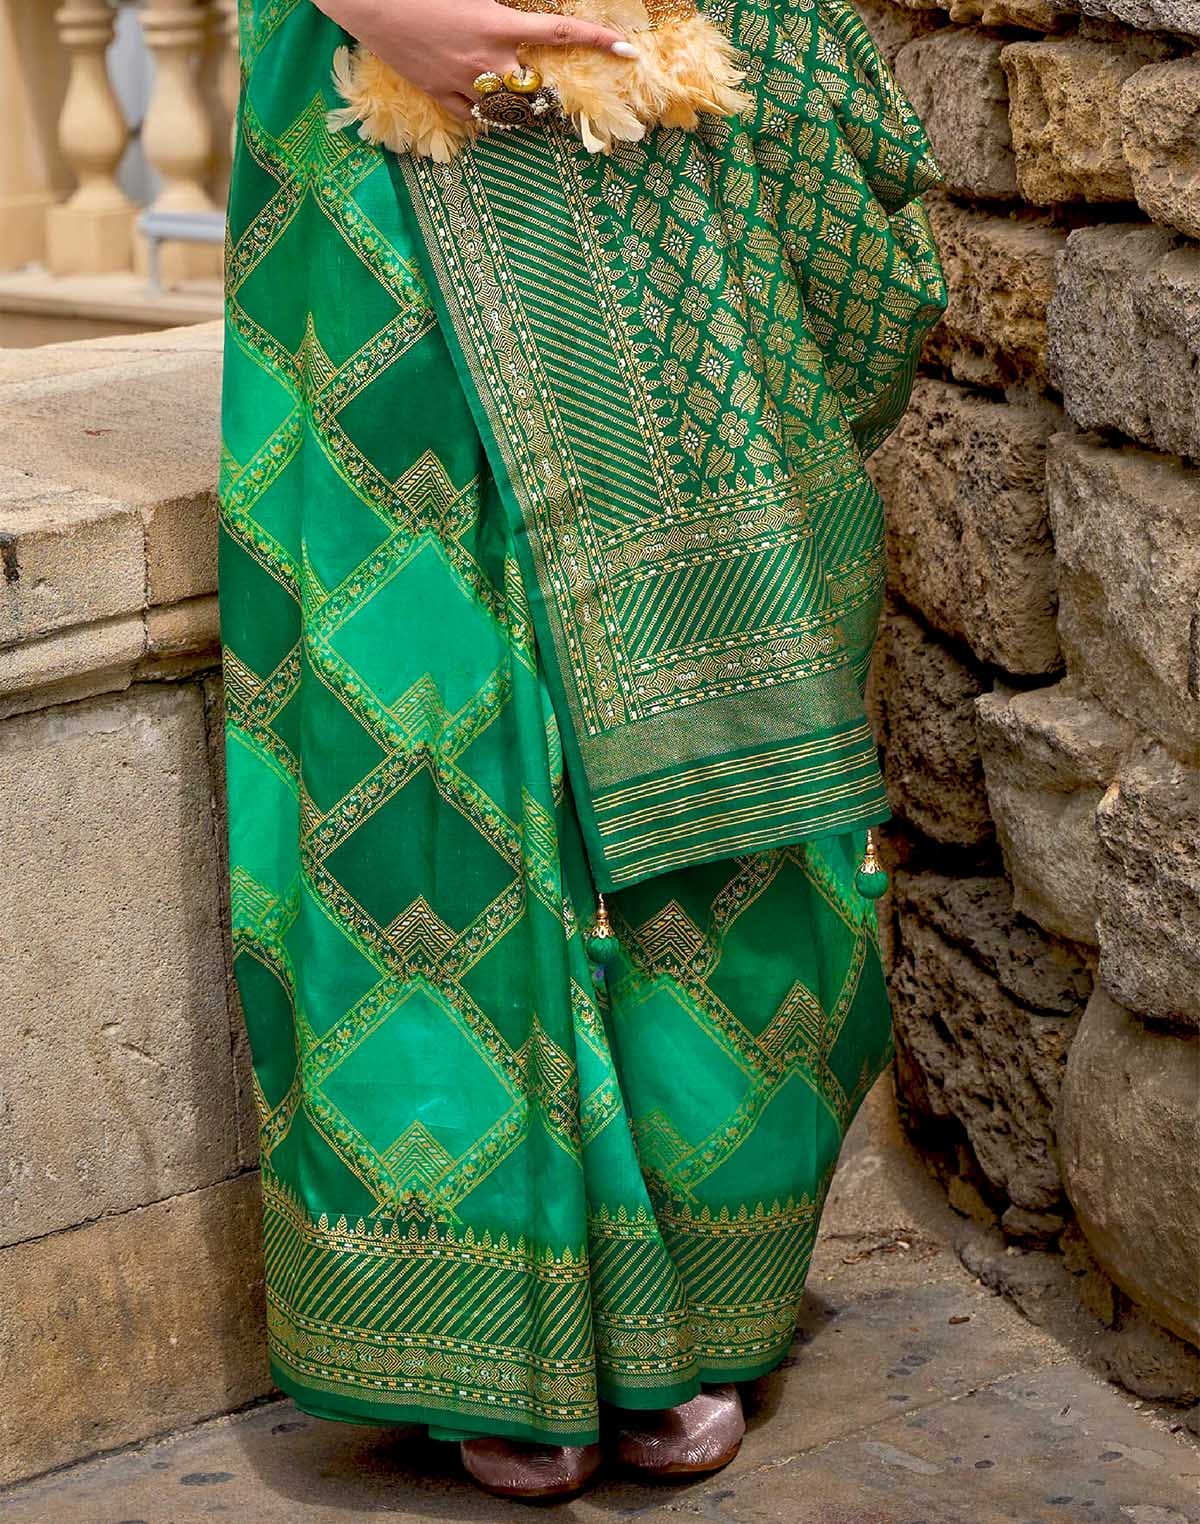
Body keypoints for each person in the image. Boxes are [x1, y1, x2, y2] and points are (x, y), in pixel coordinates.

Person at [217, 0, 946, 1500]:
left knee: (728, 660)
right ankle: (489, 1317)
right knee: (429, 698)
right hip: (383, 107)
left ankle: (701, 1287)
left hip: (673, 76)